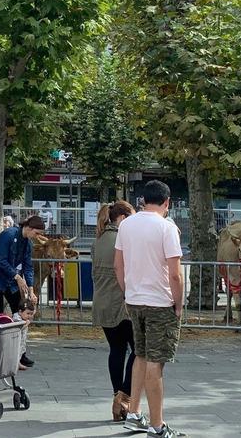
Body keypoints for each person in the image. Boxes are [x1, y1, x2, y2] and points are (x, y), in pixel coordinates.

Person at [114, 181, 184, 438]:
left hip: (135, 300)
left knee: (140, 355)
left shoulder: (126, 225)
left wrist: (127, 291)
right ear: (167, 203)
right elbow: (175, 274)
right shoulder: (167, 228)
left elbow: (118, 266)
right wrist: (179, 303)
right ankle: (157, 425)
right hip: (160, 302)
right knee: (156, 362)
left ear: (143, 200)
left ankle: (134, 413)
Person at [92, 201, 136, 422]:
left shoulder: (99, 239)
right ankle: (124, 396)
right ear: (122, 218)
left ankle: (116, 395)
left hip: (102, 302)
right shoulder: (123, 239)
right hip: (122, 302)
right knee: (139, 350)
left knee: (116, 350)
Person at [0, 214, 43, 368]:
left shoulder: (27, 244)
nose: (37, 237)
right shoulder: (8, 235)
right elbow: (1, 259)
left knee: (21, 312)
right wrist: (17, 277)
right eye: (36, 233)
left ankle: (20, 353)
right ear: (28, 228)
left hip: (10, 280)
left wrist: (30, 289)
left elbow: (28, 266)